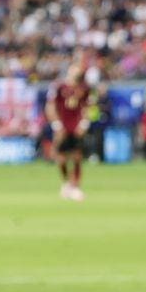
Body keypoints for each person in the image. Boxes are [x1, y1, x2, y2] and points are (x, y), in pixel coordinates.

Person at [45, 64, 91, 201]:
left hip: (76, 127)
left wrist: (84, 124)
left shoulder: (85, 89)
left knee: (77, 156)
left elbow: (87, 107)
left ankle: (75, 186)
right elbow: (50, 106)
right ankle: (66, 183)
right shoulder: (58, 87)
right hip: (62, 127)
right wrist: (57, 125)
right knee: (61, 158)